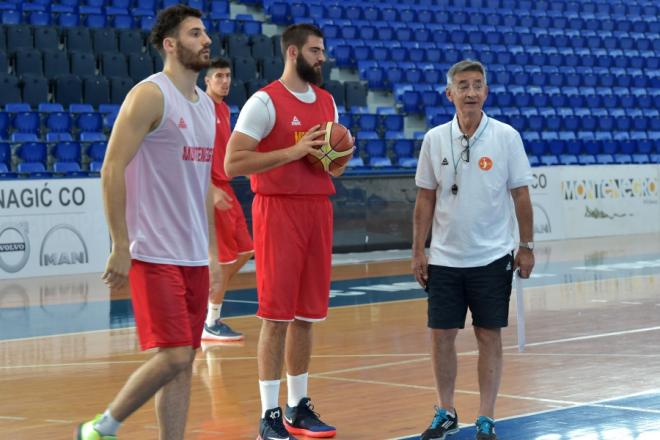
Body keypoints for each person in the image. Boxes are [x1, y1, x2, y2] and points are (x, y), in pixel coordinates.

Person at [75, 5, 217, 440]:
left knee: (185, 360)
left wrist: (211, 252)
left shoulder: (208, 107)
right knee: (174, 356)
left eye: (205, 33)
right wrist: (120, 244)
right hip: (154, 251)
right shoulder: (150, 95)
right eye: (195, 34)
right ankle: (101, 428)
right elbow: (111, 168)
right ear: (171, 45)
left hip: (193, 255)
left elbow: (203, 187)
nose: (206, 40)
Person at [225, 23, 351, 440]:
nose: (323, 58)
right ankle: (269, 415)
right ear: (293, 53)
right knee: (275, 317)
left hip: (318, 210)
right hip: (277, 211)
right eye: (316, 51)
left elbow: (331, 162)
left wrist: (336, 157)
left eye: (323, 51)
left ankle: (298, 406)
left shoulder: (329, 101)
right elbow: (233, 164)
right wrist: (294, 151)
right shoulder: (264, 102)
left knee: (306, 316)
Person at [412, 59, 535, 440]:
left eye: (477, 85)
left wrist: (526, 246)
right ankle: (445, 410)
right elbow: (424, 199)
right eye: (462, 85)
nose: (470, 92)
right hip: (445, 258)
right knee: (441, 335)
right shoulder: (433, 139)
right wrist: (419, 250)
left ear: (486, 92)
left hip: (492, 257)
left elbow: (521, 195)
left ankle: (486, 416)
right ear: (449, 94)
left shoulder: (506, 137)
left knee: (488, 335)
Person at [202, 57, 253, 342]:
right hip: (212, 188)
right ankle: (210, 320)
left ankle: (208, 297)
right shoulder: (202, 107)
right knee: (221, 261)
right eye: (219, 76)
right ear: (207, 81)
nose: (225, 80)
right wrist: (207, 187)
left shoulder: (224, 108)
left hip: (226, 186)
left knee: (245, 250)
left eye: (228, 75)